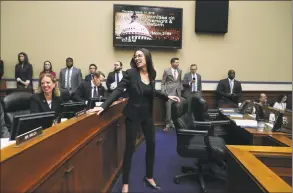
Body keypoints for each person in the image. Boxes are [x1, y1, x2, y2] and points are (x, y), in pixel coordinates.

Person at [90, 48, 180, 193]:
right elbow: (118, 90)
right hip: (132, 115)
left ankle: (149, 176)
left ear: (147, 58)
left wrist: (166, 96)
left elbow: (151, 91)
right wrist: (104, 106)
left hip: (147, 115)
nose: (137, 58)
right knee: (130, 148)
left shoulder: (152, 73)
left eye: (140, 55)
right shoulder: (130, 73)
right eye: (135, 56)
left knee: (151, 144)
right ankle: (125, 183)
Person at [161, 57, 183, 131]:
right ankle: (168, 124)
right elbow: (163, 82)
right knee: (168, 109)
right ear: (172, 63)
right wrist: (164, 93)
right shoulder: (166, 71)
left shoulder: (180, 71)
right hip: (169, 93)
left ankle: (175, 123)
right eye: (176, 62)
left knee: (177, 109)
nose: (178, 63)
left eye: (178, 62)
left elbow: (179, 81)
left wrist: (180, 88)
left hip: (178, 93)